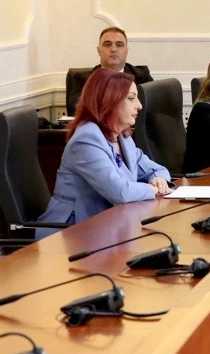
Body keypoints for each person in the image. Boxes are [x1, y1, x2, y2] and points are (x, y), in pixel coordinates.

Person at [37, 69, 172, 237]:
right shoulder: (87, 140)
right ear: (109, 101)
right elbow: (120, 192)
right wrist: (153, 189)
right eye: (131, 98)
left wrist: (158, 179)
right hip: (69, 233)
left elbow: (157, 170)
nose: (139, 105)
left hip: (105, 226)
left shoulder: (122, 136)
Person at [67, 27, 154, 115]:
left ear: (126, 51)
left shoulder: (141, 75)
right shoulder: (83, 78)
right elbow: (77, 108)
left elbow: (152, 106)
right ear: (99, 50)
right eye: (107, 44)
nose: (113, 49)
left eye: (119, 45)